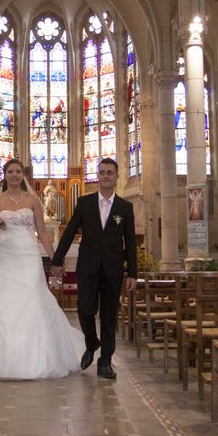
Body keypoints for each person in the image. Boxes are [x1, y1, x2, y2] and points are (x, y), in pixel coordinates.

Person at [0, 158, 84, 379]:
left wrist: (55, 258)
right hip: (6, 258)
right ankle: (4, 358)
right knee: (4, 304)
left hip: (29, 257)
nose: (14, 175)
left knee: (32, 301)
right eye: (10, 171)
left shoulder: (32, 200)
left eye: (18, 171)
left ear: (23, 175)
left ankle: (37, 357)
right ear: (5, 174)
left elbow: (42, 231)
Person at [51, 158, 137, 379]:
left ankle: (105, 361)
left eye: (110, 172)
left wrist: (132, 273)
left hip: (113, 268)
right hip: (88, 266)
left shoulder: (125, 208)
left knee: (109, 315)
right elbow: (69, 232)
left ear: (116, 177)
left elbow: (130, 242)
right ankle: (92, 342)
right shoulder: (84, 202)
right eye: (102, 172)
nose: (106, 176)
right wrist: (57, 260)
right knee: (85, 310)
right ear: (98, 176)